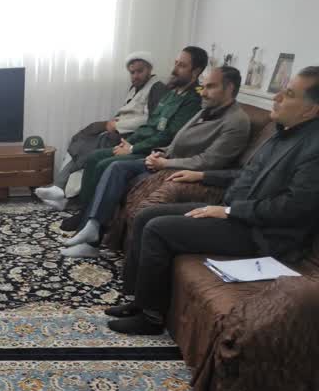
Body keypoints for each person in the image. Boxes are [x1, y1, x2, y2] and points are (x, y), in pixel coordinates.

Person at [106, 67, 319, 335]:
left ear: (311, 110)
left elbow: (294, 208)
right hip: (236, 215)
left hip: (262, 234)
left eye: (288, 94)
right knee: (147, 215)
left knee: (158, 229)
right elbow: (245, 174)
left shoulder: (313, 148)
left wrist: (229, 211)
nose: (276, 99)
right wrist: (203, 175)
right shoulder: (283, 133)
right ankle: (137, 299)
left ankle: (150, 317)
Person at [61, 66, 251, 257]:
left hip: (185, 172)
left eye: (211, 87)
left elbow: (208, 161)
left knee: (117, 167)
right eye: (204, 86)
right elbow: (178, 140)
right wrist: (160, 153)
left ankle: (92, 240)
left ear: (229, 88)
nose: (203, 92)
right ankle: (93, 228)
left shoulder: (236, 122)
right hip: (168, 160)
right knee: (116, 167)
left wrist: (165, 164)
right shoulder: (207, 109)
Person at [59, 46, 207, 231]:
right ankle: (84, 212)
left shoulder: (193, 100)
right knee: (93, 158)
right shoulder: (171, 93)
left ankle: (92, 224)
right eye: (176, 63)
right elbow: (150, 124)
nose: (175, 69)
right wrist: (130, 142)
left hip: (156, 152)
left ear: (196, 71)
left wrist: (132, 149)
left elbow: (168, 136)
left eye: (182, 65)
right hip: (141, 144)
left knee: (106, 164)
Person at [36, 51, 167, 209]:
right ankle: (62, 193)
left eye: (140, 71)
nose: (135, 76)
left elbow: (150, 120)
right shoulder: (135, 87)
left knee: (85, 149)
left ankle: (61, 191)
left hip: (130, 137)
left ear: (150, 69)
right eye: (132, 72)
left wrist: (118, 126)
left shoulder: (157, 88)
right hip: (119, 131)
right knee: (80, 142)